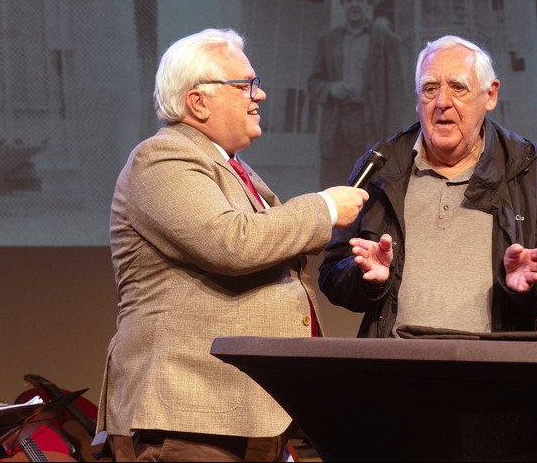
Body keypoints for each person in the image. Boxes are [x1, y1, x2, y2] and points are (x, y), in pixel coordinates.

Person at [95, 28, 369, 462]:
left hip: (242, 416)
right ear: (198, 101)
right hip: (188, 417)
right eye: (245, 85)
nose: (258, 96)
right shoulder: (163, 157)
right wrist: (323, 209)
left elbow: (272, 254)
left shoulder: (235, 169)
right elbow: (231, 243)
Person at [319, 35, 537, 336]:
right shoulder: (381, 169)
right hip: (396, 374)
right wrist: (366, 276)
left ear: (490, 95)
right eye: (430, 88)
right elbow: (332, 273)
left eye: (458, 88)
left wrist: (535, 284)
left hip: (493, 375)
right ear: (417, 98)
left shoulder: (527, 169)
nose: (442, 102)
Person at [307, 0, 406, 188]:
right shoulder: (327, 41)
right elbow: (313, 84)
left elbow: (397, 94)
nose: (354, 3)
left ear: (369, 5)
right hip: (336, 128)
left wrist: (394, 140)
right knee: (333, 188)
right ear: (342, 4)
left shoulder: (386, 40)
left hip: (370, 126)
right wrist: (331, 89)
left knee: (370, 190)